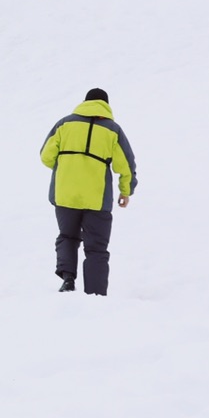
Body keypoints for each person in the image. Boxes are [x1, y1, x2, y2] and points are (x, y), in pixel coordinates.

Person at [40, 88, 138, 295]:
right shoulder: (113, 130)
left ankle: (68, 278)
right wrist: (125, 191)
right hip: (97, 198)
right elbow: (126, 166)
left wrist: (67, 167)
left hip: (64, 194)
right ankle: (95, 294)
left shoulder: (65, 123)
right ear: (106, 105)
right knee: (97, 248)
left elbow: (46, 156)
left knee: (67, 236)